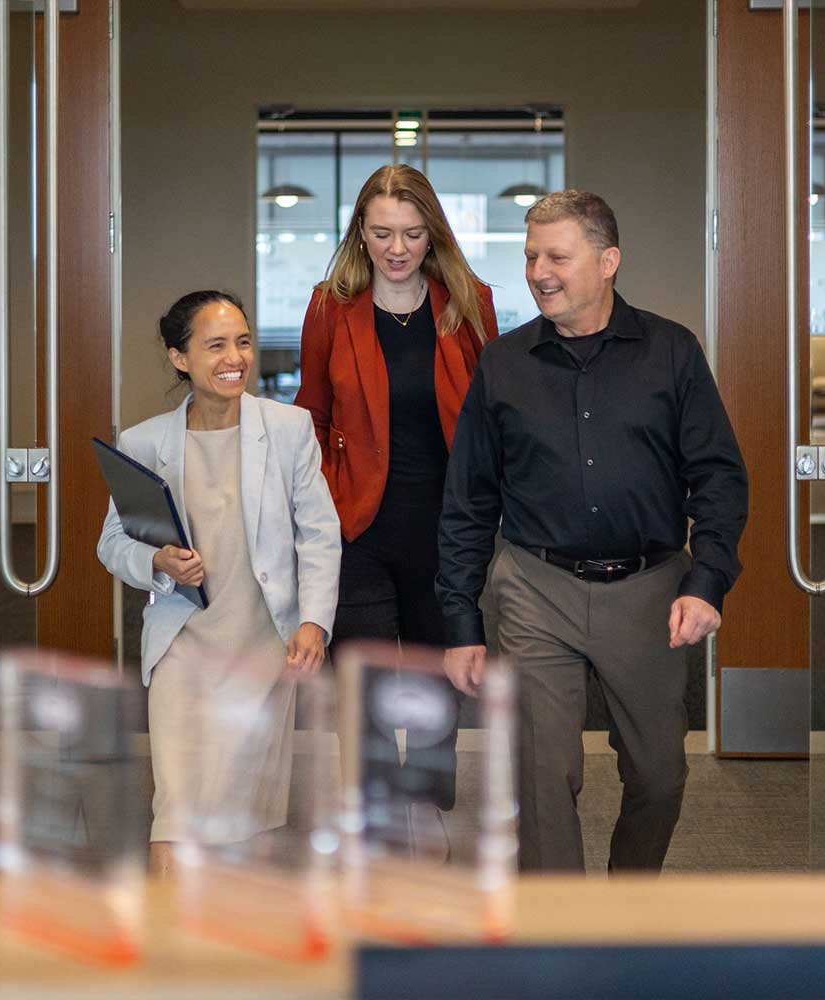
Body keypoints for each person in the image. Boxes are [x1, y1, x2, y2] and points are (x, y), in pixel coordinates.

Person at [437, 190, 748, 872]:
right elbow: (468, 501)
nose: (539, 271)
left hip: (649, 588)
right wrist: (461, 622)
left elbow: (719, 476)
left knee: (659, 775)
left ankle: (625, 906)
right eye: (530, 256)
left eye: (557, 256)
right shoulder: (504, 364)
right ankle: (564, 932)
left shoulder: (671, 352)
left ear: (608, 261)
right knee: (541, 777)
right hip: (535, 586)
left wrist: (707, 581)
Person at [97, 290, 340, 875]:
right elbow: (113, 544)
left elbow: (319, 534)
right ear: (180, 358)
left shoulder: (288, 429)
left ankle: (230, 948)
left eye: (243, 341)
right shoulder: (145, 443)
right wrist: (157, 562)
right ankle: (168, 955)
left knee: (241, 815)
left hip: (262, 645)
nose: (235, 357)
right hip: (184, 646)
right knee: (175, 808)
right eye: (215, 345)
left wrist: (313, 621)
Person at [295, 164, 499, 854]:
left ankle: (429, 791)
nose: (397, 248)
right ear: (360, 232)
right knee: (368, 673)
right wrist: (324, 495)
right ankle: (376, 807)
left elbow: (490, 418)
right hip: (358, 523)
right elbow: (312, 417)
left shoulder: (469, 304)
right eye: (382, 233)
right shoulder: (330, 308)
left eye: (412, 233)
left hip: (445, 526)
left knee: (442, 674)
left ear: (433, 233)